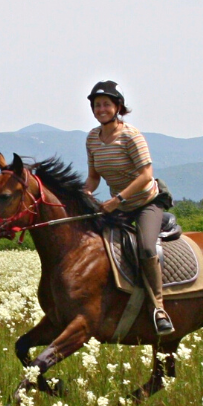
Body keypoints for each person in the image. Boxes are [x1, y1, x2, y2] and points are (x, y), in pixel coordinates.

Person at [83, 80, 174, 336]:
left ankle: (159, 309)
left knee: (145, 247)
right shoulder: (92, 138)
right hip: (117, 205)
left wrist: (118, 200)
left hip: (146, 203)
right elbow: (93, 177)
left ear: (117, 107)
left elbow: (146, 175)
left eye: (106, 104)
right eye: (97, 105)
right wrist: (84, 193)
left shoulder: (131, 135)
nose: (101, 109)